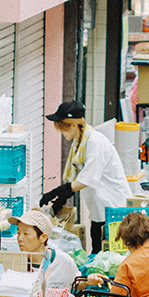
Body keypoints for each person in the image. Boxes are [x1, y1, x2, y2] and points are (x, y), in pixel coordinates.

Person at [40, 100, 129, 249]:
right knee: (97, 248)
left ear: (74, 125)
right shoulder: (80, 142)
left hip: (113, 209)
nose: (61, 132)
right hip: (99, 209)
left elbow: (86, 179)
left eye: (63, 128)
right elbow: (77, 177)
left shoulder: (95, 142)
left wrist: (56, 192)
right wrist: (60, 199)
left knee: (107, 254)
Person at [13, 210, 80, 289]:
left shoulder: (63, 261)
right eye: (18, 233)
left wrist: (88, 281)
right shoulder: (16, 264)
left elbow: (77, 284)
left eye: (26, 234)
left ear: (43, 238)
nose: (20, 238)